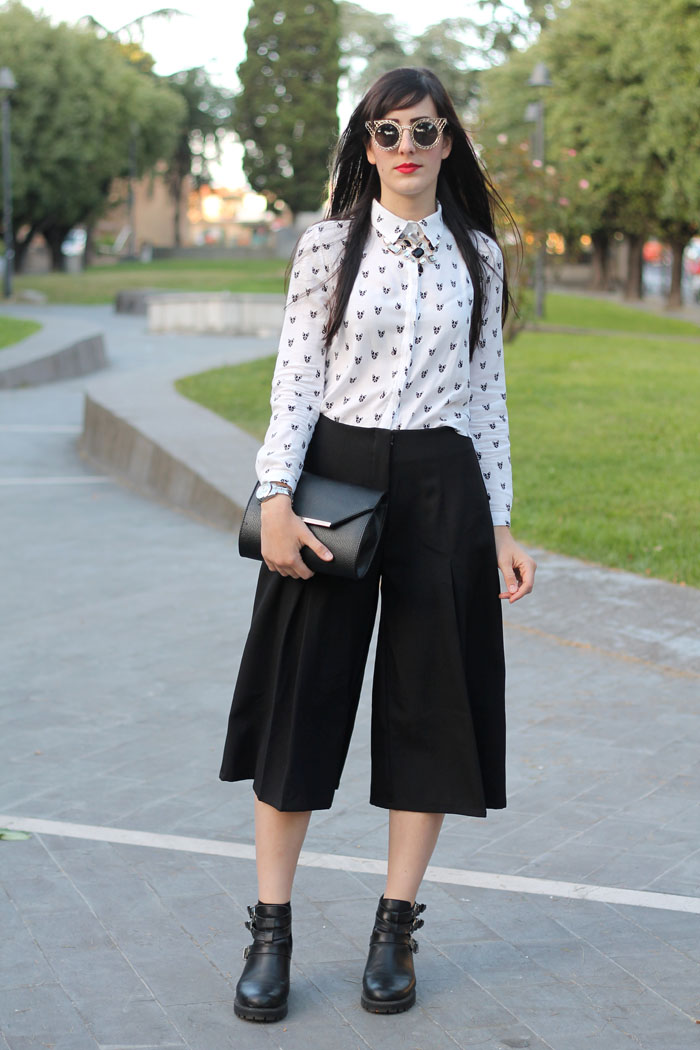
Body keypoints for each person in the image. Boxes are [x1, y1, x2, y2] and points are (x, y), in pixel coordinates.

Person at [219, 65, 536, 1023]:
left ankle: (395, 929)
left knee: (431, 707)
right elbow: (294, 378)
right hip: (335, 478)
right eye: (389, 132)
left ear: (449, 142)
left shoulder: (480, 257)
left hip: (443, 485)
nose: (407, 148)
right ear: (367, 145)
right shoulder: (328, 246)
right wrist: (276, 497)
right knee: (301, 697)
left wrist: (500, 522)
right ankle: (271, 932)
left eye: (424, 131)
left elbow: (487, 397)